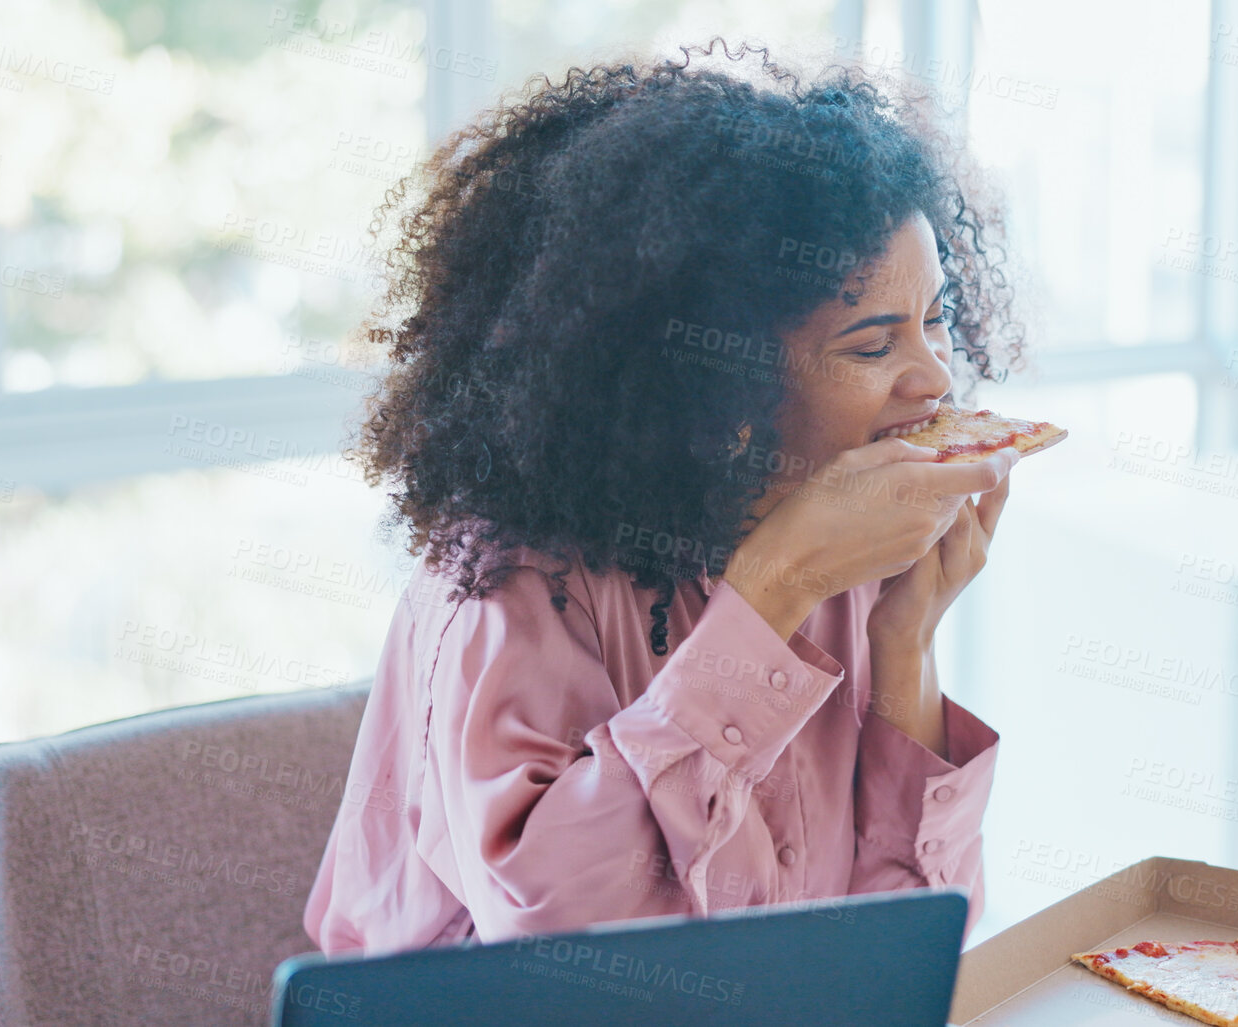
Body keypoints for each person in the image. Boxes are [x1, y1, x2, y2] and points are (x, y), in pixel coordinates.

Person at [304, 40, 1028, 956]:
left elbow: (900, 945)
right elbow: (570, 951)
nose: (935, 377)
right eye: (871, 345)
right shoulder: (509, 586)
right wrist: (769, 594)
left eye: (935, 320)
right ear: (711, 379)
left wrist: (906, 639)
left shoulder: (842, 558)